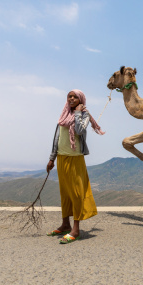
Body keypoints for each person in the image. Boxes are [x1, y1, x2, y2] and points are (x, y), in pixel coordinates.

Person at [46, 89, 105, 244]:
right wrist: (52, 158)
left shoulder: (85, 115)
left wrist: (78, 113)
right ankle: (65, 224)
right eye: (69, 96)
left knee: (77, 193)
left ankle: (76, 229)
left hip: (75, 158)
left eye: (75, 97)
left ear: (81, 99)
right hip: (62, 158)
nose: (71, 99)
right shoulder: (63, 115)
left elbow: (80, 130)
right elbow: (56, 138)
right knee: (65, 192)